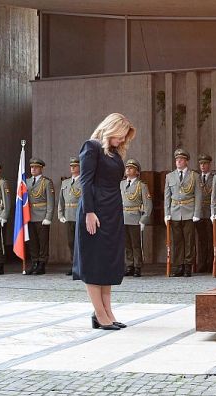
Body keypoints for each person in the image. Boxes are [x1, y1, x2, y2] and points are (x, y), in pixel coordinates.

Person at [73, 112, 136, 330]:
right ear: (112, 129)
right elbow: (86, 182)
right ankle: (100, 314)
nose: (122, 140)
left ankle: (107, 312)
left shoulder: (115, 153)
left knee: (108, 261)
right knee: (94, 261)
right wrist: (89, 212)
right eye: (120, 136)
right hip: (95, 209)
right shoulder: (91, 147)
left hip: (112, 209)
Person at [164, 149, 202, 277]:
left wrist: (197, 213)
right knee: (177, 240)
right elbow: (167, 196)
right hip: (175, 211)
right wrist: (166, 213)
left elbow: (198, 195)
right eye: (176, 159)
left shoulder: (194, 176)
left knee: (189, 240)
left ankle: (188, 265)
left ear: (186, 161)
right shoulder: (170, 176)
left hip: (189, 211)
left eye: (181, 159)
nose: (178, 161)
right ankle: (179, 265)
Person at [122, 159, 152, 278]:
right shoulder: (121, 184)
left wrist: (143, 220)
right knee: (127, 244)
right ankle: (129, 265)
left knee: (136, 244)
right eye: (127, 167)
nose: (128, 169)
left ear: (137, 172)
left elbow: (148, 205)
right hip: (123, 217)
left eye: (131, 168)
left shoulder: (142, 185)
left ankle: (137, 266)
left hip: (135, 217)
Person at [26, 158, 55, 275]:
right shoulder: (26, 182)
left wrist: (48, 217)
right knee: (32, 241)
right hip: (30, 215)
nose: (33, 169)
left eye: (36, 167)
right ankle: (34, 262)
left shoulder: (46, 182)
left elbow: (50, 201)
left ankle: (42, 263)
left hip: (42, 215)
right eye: (32, 167)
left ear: (41, 169)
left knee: (43, 241)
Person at [58, 157, 81, 276]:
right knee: (71, 242)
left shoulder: (84, 181)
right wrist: (60, 214)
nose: (72, 167)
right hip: (68, 215)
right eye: (71, 166)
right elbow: (61, 200)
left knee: (80, 243)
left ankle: (82, 266)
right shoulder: (65, 182)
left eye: (75, 166)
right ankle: (74, 265)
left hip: (79, 215)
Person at [196, 153, 215, 273]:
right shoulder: (196, 178)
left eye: (205, 164)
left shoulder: (214, 178)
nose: (203, 166)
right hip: (199, 211)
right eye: (201, 164)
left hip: (209, 210)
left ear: (209, 165)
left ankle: (211, 262)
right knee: (201, 239)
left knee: (210, 238)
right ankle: (202, 262)